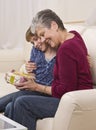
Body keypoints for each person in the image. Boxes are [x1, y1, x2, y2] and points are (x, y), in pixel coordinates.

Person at [5, 9, 93, 130]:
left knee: (22, 103)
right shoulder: (74, 35)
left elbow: (66, 90)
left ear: (54, 25)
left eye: (42, 34)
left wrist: (36, 87)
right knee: (10, 106)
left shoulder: (65, 49)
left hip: (72, 101)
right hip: (67, 97)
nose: (43, 39)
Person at [0, 26, 56, 113]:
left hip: (45, 92)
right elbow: (33, 75)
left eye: (36, 39)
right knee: (9, 107)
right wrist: (19, 76)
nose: (36, 44)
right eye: (32, 43)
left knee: (16, 98)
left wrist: (35, 86)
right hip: (34, 89)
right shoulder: (36, 50)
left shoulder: (60, 52)